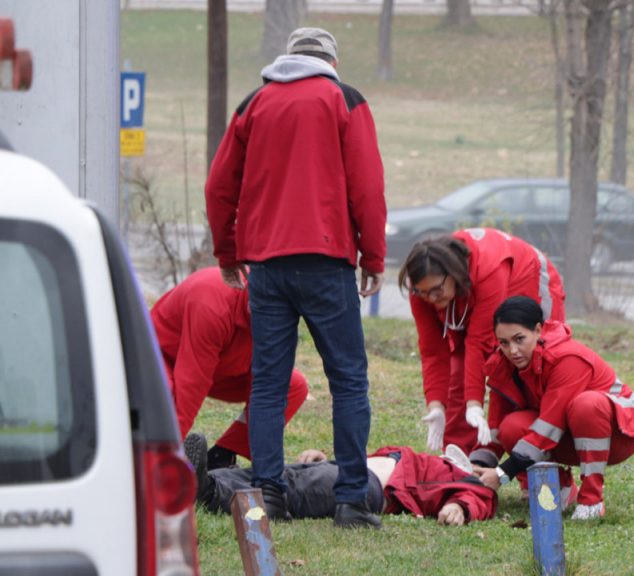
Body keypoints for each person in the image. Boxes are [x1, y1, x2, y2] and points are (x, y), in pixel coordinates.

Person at [205, 26, 387, 528]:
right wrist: (372, 256)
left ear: (288, 58)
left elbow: (219, 186)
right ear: (331, 60)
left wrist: (228, 252)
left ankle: (269, 495)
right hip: (327, 262)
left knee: (267, 383)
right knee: (348, 379)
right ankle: (351, 499)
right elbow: (367, 186)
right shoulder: (344, 100)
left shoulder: (253, 104)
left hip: (266, 265)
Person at [396, 228, 566, 460]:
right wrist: (436, 406)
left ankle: (538, 466)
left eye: (437, 291)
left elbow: (479, 343)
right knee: (459, 370)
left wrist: (474, 404)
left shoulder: (488, 271)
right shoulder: (424, 288)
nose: (431, 300)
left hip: (527, 279)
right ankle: (458, 459)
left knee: (527, 364)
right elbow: (433, 352)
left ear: (453, 274)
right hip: (470, 291)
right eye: (423, 293)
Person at [475, 296, 634, 520]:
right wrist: (475, 467)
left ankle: (592, 501)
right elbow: (496, 428)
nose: (512, 350)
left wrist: (501, 474)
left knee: (586, 405)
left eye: (519, 339)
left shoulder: (567, 357)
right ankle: (560, 489)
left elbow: (549, 427)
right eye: (504, 342)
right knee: (511, 426)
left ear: (538, 330)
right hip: (566, 433)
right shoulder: (503, 363)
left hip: (619, 435)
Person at [150, 267, 308, 469]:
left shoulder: (279, 315)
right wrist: (167, 458)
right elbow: (191, 383)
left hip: (222, 367)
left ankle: (222, 456)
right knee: (169, 393)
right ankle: (155, 458)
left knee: (292, 386)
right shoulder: (211, 302)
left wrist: (266, 465)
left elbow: (268, 383)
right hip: (164, 358)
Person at [186, 433, 497, 526]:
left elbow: (479, 499)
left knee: (294, 490)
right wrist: (325, 457)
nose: (476, 471)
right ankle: (196, 477)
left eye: (480, 468)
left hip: (367, 488)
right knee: (272, 472)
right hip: (347, 469)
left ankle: (210, 493)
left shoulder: (465, 482)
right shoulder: (424, 458)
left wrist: (461, 508)